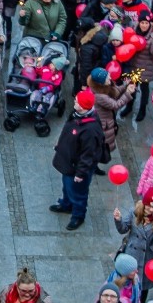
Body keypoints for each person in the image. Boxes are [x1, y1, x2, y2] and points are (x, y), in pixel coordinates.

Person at [50, 90, 106, 231]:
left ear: (83, 107)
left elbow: (88, 154)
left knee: (78, 193)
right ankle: (66, 204)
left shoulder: (90, 129)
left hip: (77, 168)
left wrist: (80, 174)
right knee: (67, 187)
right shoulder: (77, 115)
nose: (74, 102)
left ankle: (78, 215)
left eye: (77, 101)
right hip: (68, 163)